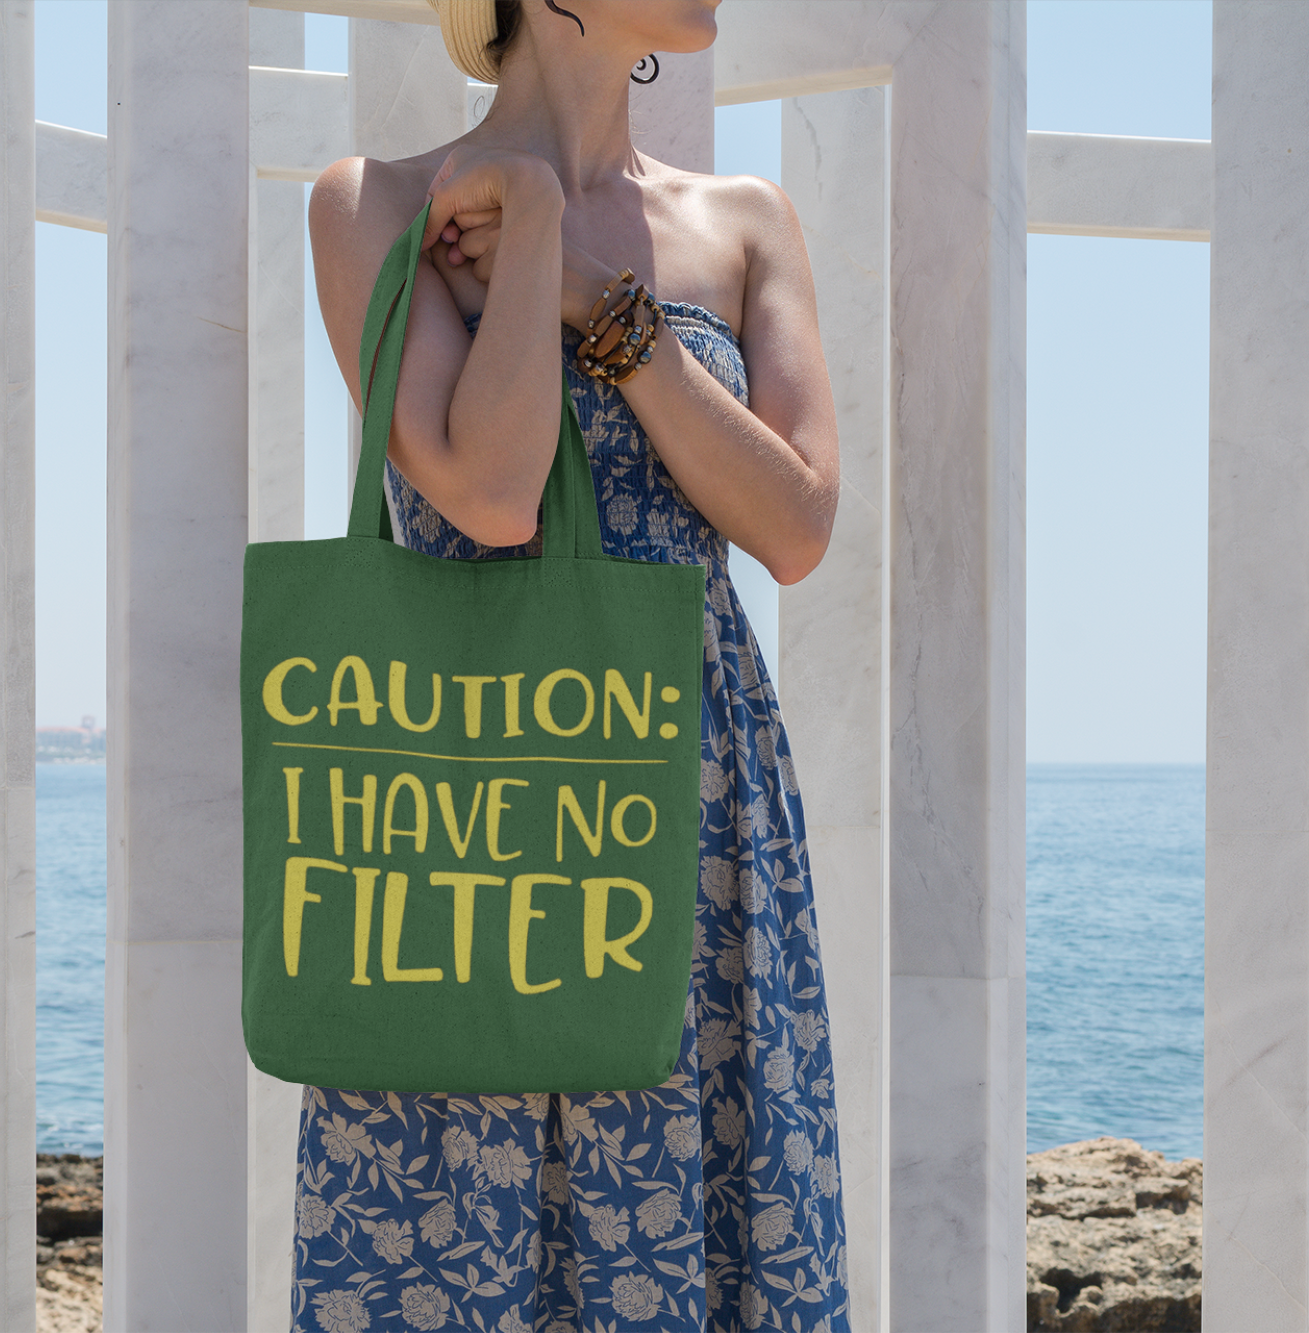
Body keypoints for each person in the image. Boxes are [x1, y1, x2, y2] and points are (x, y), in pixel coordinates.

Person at [297, 1, 849, 1328]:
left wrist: (607, 313)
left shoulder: (746, 221)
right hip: (462, 804)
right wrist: (537, 219)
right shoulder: (375, 204)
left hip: (688, 792)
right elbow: (489, 493)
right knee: (455, 1236)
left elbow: (796, 525)